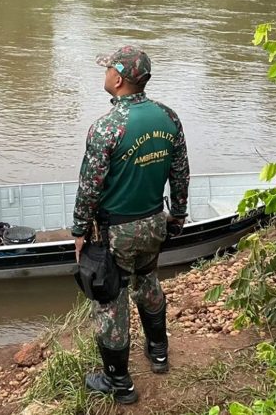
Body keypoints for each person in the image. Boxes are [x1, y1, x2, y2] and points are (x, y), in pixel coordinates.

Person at [72, 45, 190, 404]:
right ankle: (159, 353)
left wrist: (79, 231)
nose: (105, 73)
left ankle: (119, 383)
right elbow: (180, 172)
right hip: (155, 222)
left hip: (117, 231)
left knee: (111, 299)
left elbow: (89, 187)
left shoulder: (106, 127)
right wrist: (178, 214)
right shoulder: (168, 117)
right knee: (148, 280)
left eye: (108, 68)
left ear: (119, 79)